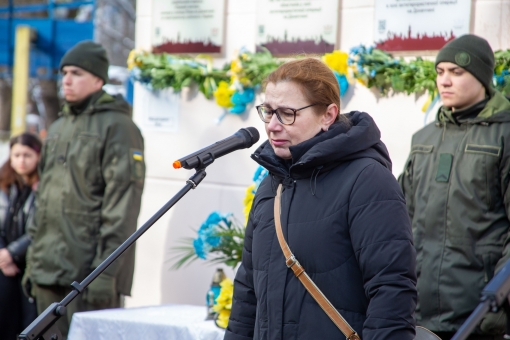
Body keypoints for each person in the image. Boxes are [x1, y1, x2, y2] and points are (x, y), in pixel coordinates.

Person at [225, 58, 417, 340]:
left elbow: (391, 291)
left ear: (328, 115)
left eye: (287, 114)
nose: (272, 126)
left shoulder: (367, 180)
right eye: (268, 112)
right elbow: (247, 293)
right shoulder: (271, 186)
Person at [24, 40, 145, 338]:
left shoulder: (119, 127)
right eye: (64, 72)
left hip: (86, 277)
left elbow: (123, 206)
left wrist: (106, 274)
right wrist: (32, 262)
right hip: (46, 271)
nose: (66, 79)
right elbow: (42, 200)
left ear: (98, 78)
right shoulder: (58, 127)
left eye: (76, 72)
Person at [399, 34, 510, 340]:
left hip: (479, 316)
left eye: (456, 72)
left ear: (482, 76)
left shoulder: (504, 136)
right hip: (417, 314)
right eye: (440, 72)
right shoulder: (423, 140)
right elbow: (398, 219)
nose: (444, 81)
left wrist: (500, 303)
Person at [0, 133, 41, 339]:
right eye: (16, 155)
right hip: (5, 264)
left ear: (38, 156)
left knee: (28, 323)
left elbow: (38, 229)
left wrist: (11, 253)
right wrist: (3, 255)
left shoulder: (42, 187)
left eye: (27, 155)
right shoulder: (5, 183)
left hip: (29, 263)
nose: (21, 161)